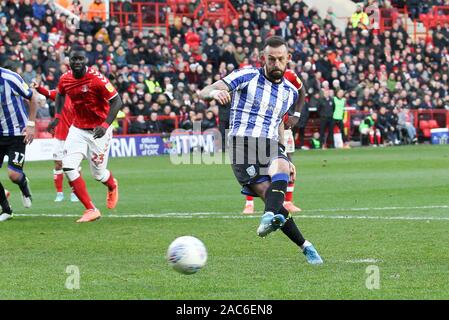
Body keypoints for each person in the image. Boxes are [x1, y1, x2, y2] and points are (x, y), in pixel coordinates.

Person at [199, 36, 323, 264]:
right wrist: (214, 93)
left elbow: (278, 124)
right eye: (271, 59)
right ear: (262, 58)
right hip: (241, 144)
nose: (276, 64)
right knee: (271, 197)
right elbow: (205, 90)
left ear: (288, 59)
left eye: (280, 59)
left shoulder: (289, 92)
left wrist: (285, 155)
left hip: (269, 143)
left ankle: (267, 217)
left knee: (281, 170)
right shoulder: (246, 75)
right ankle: (306, 245)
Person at [49, 47, 123, 223]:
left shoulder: (97, 79)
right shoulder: (65, 79)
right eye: (74, 59)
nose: (77, 62)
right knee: (67, 166)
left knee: (98, 174)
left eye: (80, 59)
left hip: (99, 131)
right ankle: (91, 209)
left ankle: (112, 185)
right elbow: (60, 95)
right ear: (69, 61)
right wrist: (58, 117)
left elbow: (117, 101)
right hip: (78, 129)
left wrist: (105, 125)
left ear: (86, 60)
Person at [242, 69, 304, 214]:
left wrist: (297, 115)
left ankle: (288, 201)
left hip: (283, 125)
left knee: (287, 160)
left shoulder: (290, 75)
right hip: (260, 128)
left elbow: (302, 91)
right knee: (253, 163)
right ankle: (249, 203)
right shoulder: (256, 77)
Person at [0, 67, 38, 222]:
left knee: (14, 175)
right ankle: (7, 210)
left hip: (17, 134)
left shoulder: (10, 78)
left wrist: (30, 124)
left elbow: (32, 98)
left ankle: (23, 183)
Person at [33, 81, 79, 202]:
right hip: (59, 136)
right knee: (58, 164)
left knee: (73, 166)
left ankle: (75, 192)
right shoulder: (59, 95)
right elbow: (47, 93)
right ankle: (59, 193)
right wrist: (38, 87)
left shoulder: (78, 97)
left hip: (73, 137)